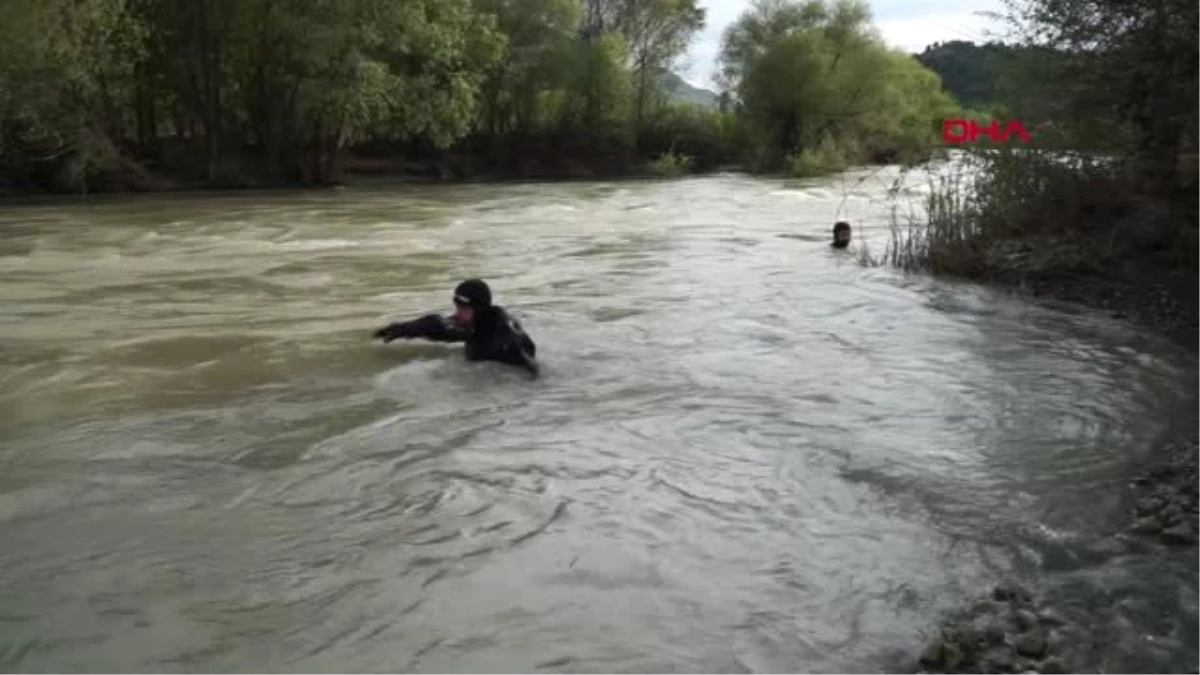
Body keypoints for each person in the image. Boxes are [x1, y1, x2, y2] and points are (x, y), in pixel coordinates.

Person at [373, 278, 539, 377]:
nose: (457, 313)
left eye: (463, 309)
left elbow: (530, 367)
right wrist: (401, 329)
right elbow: (440, 325)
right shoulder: (481, 322)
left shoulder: (501, 340)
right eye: (457, 306)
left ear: (479, 308)